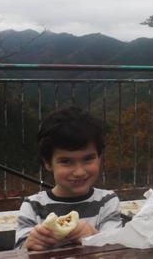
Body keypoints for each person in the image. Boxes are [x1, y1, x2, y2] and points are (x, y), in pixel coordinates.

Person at [15, 106, 122, 250]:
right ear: (47, 163)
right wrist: (30, 244)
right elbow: (18, 252)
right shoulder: (33, 206)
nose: (79, 172)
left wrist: (95, 237)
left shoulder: (107, 201)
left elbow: (116, 250)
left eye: (88, 159)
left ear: (99, 158)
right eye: (66, 161)